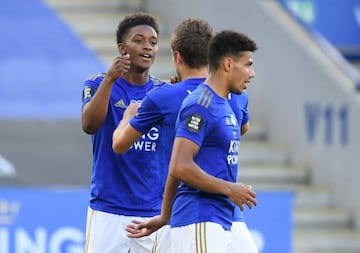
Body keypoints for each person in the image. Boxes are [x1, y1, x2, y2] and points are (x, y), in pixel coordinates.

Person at [117, 28, 258, 253]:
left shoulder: (226, 103)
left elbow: (178, 164)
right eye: (248, 65)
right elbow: (179, 165)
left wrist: (165, 215)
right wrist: (230, 189)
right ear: (228, 64)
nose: (252, 74)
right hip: (200, 217)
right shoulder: (200, 105)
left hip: (221, 216)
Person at [81, 12, 166, 253]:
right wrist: (110, 79)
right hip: (108, 209)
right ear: (122, 48)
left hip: (152, 213)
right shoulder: (98, 83)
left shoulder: (164, 92)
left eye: (153, 42)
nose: (147, 46)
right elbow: (89, 125)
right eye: (138, 40)